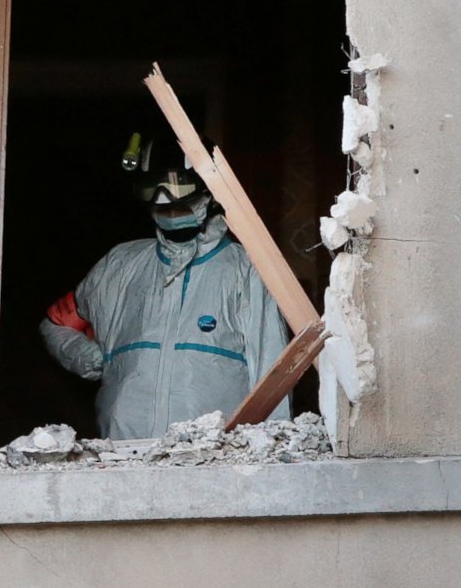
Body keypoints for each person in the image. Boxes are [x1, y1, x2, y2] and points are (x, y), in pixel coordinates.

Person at [39, 152, 289, 439]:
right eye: (153, 189)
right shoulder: (120, 264)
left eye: (177, 186)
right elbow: (56, 324)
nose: (164, 200)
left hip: (211, 455)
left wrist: (272, 448)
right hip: (124, 450)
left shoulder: (245, 268)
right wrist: (92, 358)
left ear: (206, 192)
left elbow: (272, 372)